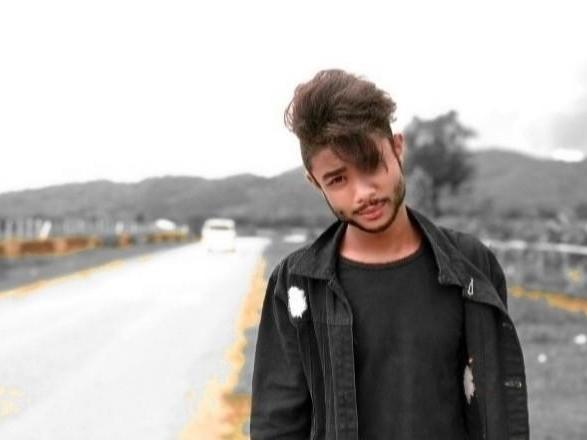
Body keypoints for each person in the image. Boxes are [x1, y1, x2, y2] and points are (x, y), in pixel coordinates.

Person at [250, 69, 529, 440]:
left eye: (371, 164)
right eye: (338, 179)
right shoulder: (297, 285)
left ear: (398, 147)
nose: (362, 192)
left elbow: (495, 407)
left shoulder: (472, 267)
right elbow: (277, 425)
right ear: (315, 182)